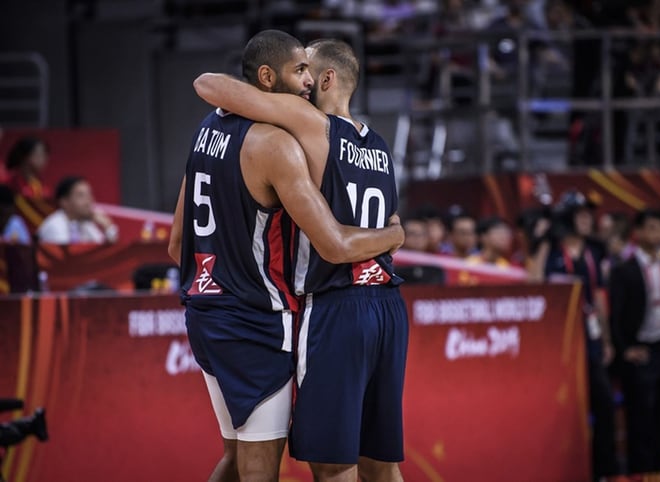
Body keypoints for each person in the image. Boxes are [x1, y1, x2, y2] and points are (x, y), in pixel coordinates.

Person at [170, 31, 404, 482]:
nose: (303, 83)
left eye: (307, 71)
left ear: (327, 79)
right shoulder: (378, 144)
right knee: (378, 463)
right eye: (297, 71)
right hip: (372, 305)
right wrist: (393, 236)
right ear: (267, 75)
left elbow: (175, 242)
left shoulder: (209, 134)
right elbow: (338, 240)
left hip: (234, 307)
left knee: (297, 464)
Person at [542, 191, 618, 480]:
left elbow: (598, 296)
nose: (588, 220)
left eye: (590, 214)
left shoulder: (594, 251)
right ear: (567, 217)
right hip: (558, 340)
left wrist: (607, 338)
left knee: (604, 403)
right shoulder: (551, 249)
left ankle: (605, 470)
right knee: (564, 407)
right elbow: (535, 280)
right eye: (581, 214)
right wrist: (541, 241)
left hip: (591, 336)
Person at [609, 209, 660, 474]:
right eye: (651, 228)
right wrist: (625, 349)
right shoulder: (624, 270)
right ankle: (640, 472)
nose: (657, 233)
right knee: (640, 417)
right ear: (639, 232)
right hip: (640, 349)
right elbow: (615, 315)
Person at [37, 176, 119, 244]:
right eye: (81, 196)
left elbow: (103, 254)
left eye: (89, 194)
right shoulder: (54, 226)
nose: (89, 201)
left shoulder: (86, 224)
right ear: (64, 202)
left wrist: (108, 227)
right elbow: (66, 260)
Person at [4, 137, 54, 230]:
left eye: (45, 155)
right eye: (39, 155)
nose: (45, 159)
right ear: (25, 156)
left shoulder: (40, 185)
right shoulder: (8, 181)